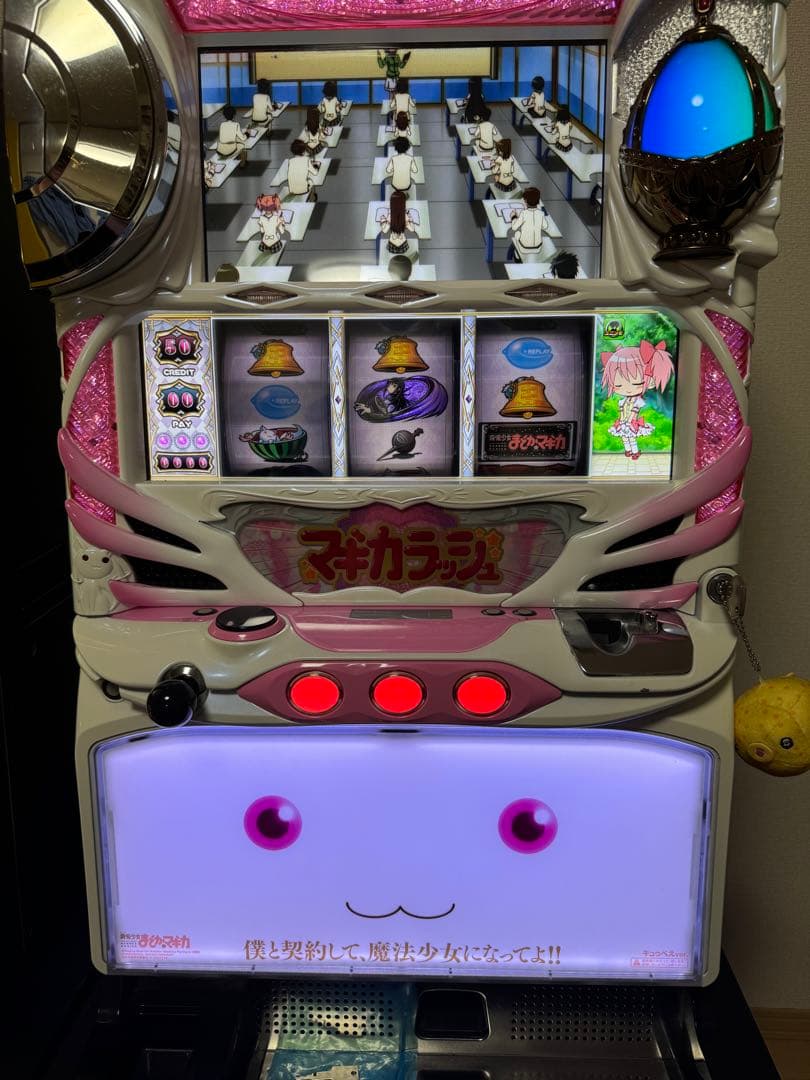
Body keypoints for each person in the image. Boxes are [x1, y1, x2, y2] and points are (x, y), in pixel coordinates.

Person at [601, 339, 675, 460]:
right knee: (624, 437)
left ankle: (635, 452)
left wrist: (629, 421)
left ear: (650, 381)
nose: (627, 389)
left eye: (636, 383)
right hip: (623, 421)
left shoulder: (638, 401)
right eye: (618, 385)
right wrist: (622, 420)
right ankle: (628, 450)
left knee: (631, 437)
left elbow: (634, 412)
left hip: (631, 422)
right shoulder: (623, 401)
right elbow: (621, 410)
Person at [508, 187, 550, 261]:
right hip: (538, 247)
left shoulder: (523, 213)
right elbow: (545, 226)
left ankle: (517, 256)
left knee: (517, 233)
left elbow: (514, 227)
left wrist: (513, 217)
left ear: (525, 201)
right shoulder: (541, 213)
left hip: (524, 247)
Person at [379, 190, 417, 255]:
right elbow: (412, 229)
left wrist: (383, 221)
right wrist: (410, 218)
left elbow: (385, 231)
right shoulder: (404, 215)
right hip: (403, 245)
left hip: (392, 245)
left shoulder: (391, 215)